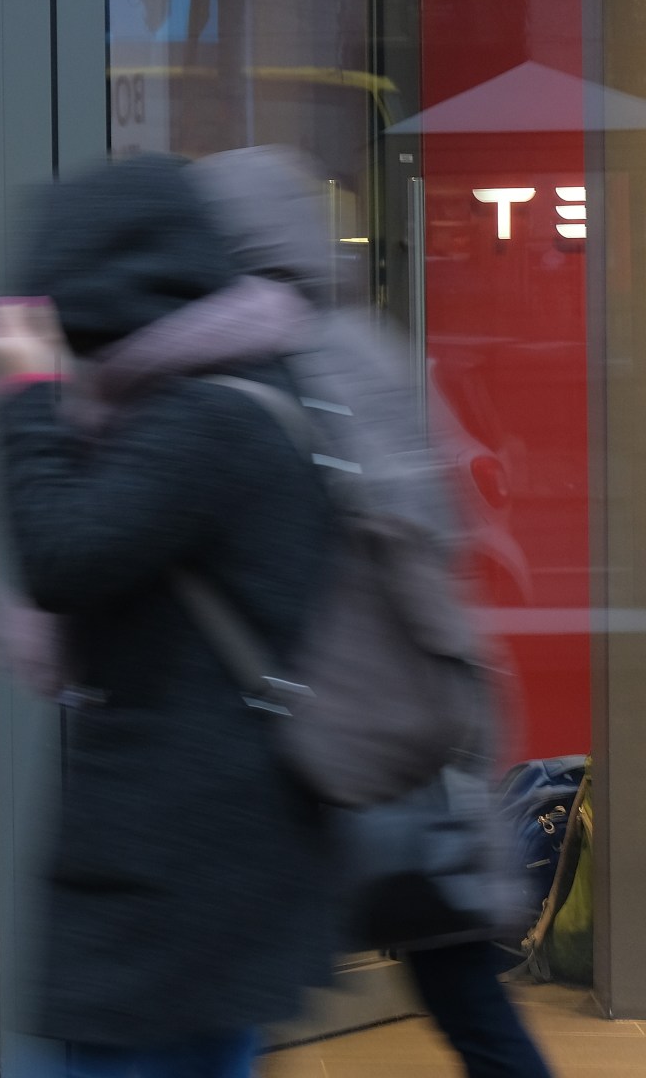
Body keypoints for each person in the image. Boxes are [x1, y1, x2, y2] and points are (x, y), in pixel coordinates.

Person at [191, 146, 552, 1078]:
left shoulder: (272, 361)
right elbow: (434, 511)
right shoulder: (366, 340)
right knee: (457, 977)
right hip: (404, 703)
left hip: (329, 713)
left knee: (248, 984)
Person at [0, 154, 341, 1078]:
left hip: (178, 863)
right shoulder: (236, 396)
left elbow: (62, 554)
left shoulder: (204, 423)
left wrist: (26, 397)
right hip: (205, 854)